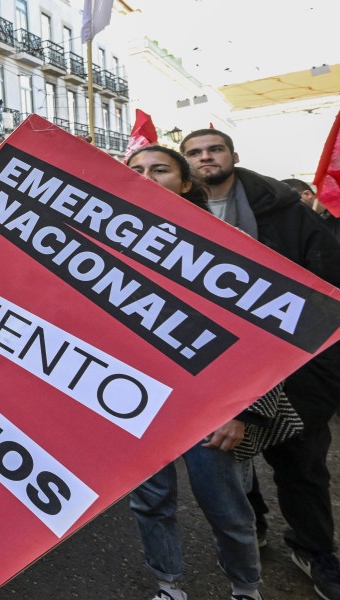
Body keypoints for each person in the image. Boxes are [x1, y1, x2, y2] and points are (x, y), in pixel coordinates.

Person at [181, 129, 340, 600]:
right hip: (216, 365)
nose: (205, 158)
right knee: (234, 461)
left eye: (214, 150)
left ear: (233, 156)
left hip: (294, 366)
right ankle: (255, 527)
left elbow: (326, 291)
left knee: (303, 464)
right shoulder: (174, 213)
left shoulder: (285, 211)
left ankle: (314, 550)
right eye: (195, 153)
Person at [126, 145, 266, 600]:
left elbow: (261, 340)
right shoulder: (103, 244)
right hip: (134, 399)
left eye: (160, 170)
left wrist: (241, 409)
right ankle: (168, 584)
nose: (147, 177)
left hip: (209, 404)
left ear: (186, 183)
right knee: (150, 501)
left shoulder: (226, 245)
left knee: (226, 506)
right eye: (137, 170)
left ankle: (246, 588)